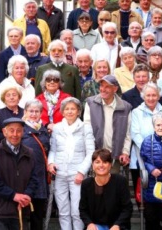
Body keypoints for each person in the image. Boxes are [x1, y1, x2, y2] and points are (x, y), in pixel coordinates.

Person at [47, 97, 95, 230]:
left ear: (78, 111)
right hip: (59, 174)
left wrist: (81, 172)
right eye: (67, 109)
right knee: (63, 210)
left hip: (77, 175)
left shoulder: (85, 127)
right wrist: (50, 163)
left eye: (73, 108)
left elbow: (91, 152)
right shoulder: (57, 128)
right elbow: (53, 150)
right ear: (62, 112)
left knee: (77, 211)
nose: (69, 111)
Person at [131, 83, 162, 205]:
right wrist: (150, 150)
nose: (151, 98)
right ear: (143, 96)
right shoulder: (136, 112)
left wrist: (161, 150)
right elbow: (135, 134)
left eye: (154, 95)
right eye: (148, 95)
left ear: (159, 96)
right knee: (147, 199)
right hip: (142, 157)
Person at [0, 117, 38, 230]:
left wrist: (27, 195)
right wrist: (13, 195)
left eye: (18, 130)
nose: (15, 134)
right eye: (11, 130)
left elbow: (34, 179)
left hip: (21, 210)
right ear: (4, 132)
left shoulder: (30, 153)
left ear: (23, 132)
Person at [83, 75, 132, 175]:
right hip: (96, 155)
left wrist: (125, 152)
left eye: (107, 87)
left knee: (113, 187)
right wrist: (91, 153)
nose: (103, 89)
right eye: (101, 86)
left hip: (115, 156)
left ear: (115, 89)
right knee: (96, 188)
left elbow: (128, 133)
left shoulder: (125, 107)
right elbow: (87, 129)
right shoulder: (90, 103)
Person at [79, 149, 133, 230]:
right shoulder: (86, 184)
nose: (101, 165)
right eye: (97, 162)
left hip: (117, 226)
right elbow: (83, 209)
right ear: (92, 165)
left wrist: (117, 225)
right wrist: (89, 224)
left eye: (105, 162)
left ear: (110, 165)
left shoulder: (120, 181)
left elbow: (127, 208)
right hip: (95, 226)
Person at [20, 99, 51, 230]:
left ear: (41, 113)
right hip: (23, 178)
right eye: (30, 111)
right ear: (25, 112)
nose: (33, 114)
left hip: (40, 178)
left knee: (37, 215)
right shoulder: (20, 129)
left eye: (36, 111)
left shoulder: (45, 130)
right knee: (22, 215)